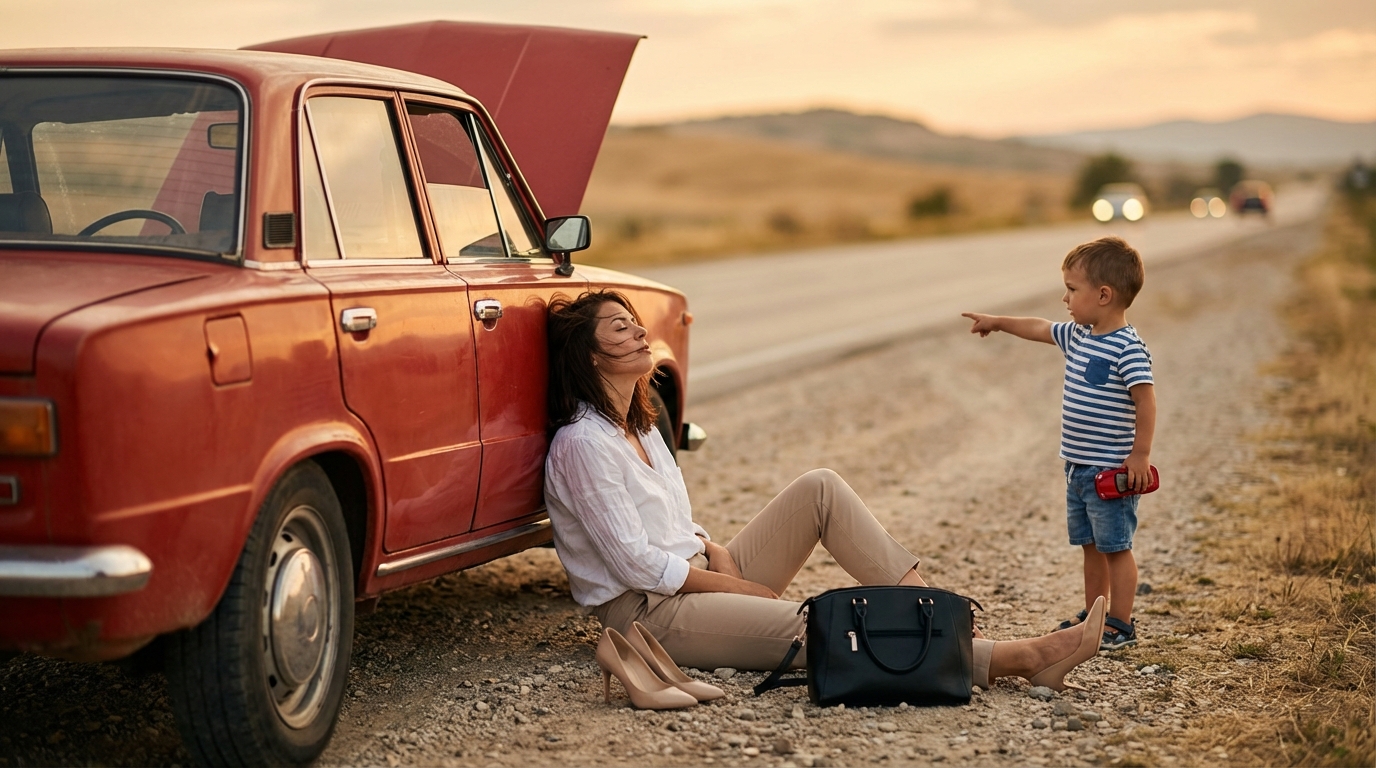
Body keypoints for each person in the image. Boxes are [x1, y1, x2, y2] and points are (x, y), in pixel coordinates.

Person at [542, 289, 1107, 702]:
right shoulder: (583, 445)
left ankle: (936, 613)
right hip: (648, 615)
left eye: (635, 323)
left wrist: (712, 548)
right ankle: (1023, 659)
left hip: (692, 573)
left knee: (821, 487)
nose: (639, 332)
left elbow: (669, 524)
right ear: (591, 358)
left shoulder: (640, 426)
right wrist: (735, 584)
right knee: (820, 625)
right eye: (619, 329)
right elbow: (634, 563)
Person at [962, 236, 1155, 650]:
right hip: (1077, 468)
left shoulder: (1128, 348)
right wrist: (997, 321)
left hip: (1110, 473)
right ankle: (1095, 615)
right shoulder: (1080, 336)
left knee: (1116, 548)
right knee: (1090, 546)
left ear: (1103, 295)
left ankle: (1119, 624)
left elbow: (1146, 401)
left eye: (1071, 289)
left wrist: (1140, 455)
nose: (1064, 298)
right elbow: (1038, 327)